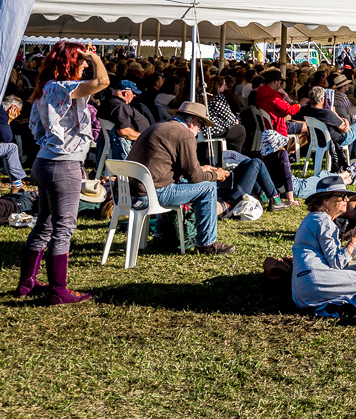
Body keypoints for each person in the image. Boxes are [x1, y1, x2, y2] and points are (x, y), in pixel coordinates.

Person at [17, 43, 109, 304]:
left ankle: (27, 282)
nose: (83, 65)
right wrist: (94, 57)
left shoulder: (45, 89)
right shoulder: (63, 87)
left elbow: (36, 129)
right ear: (69, 62)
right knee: (63, 227)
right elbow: (102, 81)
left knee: (44, 224)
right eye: (79, 61)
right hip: (63, 164)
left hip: (45, 161)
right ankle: (59, 290)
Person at [127, 102, 236, 255]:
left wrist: (200, 170)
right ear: (193, 122)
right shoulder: (184, 134)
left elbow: (167, 168)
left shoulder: (158, 127)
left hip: (130, 193)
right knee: (208, 188)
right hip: (150, 195)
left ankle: (160, 235)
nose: (199, 131)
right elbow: (195, 178)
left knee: (179, 182)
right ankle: (207, 244)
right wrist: (215, 175)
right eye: (200, 127)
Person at [291, 175, 356, 325]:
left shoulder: (311, 218)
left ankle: (342, 308)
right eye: (342, 196)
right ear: (326, 200)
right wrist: (355, 237)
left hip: (301, 294)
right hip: (316, 281)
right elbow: (337, 263)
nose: (347, 200)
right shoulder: (324, 222)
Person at [299, 86, 356, 167]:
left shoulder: (307, 111)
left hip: (318, 140)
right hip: (341, 139)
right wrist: (341, 117)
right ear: (322, 100)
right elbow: (345, 129)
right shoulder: (327, 113)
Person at [101, 77, 150, 159]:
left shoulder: (108, 102)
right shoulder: (120, 106)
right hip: (135, 147)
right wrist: (145, 137)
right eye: (133, 93)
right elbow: (124, 131)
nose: (134, 96)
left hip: (131, 144)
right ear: (125, 93)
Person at [0, 95, 27, 189]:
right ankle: (17, 183)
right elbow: (7, 139)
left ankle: (17, 182)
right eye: (18, 112)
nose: (17, 115)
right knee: (12, 148)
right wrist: (9, 120)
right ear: (13, 108)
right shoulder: (2, 115)